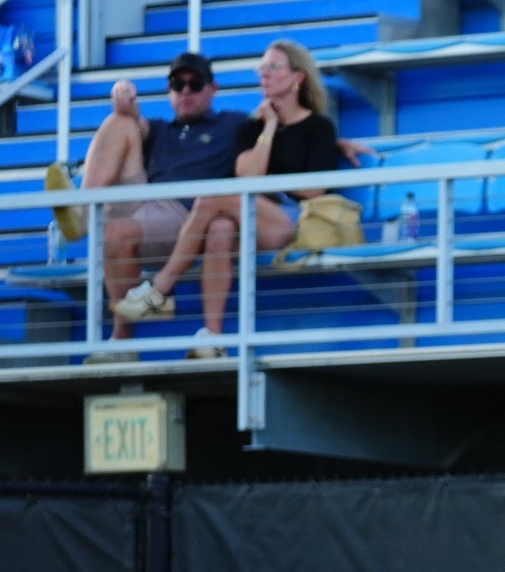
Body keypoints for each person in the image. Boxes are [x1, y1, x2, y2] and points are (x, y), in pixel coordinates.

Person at [113, 39, 342, 359]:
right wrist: (269, 128)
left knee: (212, 197)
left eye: (273, 68)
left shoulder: (319, 126)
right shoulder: (252, 126)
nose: (264, 75)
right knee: (219, 229)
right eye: (261, 69)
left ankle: (160, 288)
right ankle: (212, 337)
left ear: (297, 77)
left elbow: (315, 190)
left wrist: (276, 178)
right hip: (251, 215)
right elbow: (248, 178)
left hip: (292, 219)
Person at [44, 55, 247, 365]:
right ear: (169, 90)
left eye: (195, 84)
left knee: (116, 232)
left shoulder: (231, 123)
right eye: (178, 85)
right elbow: (132, 120)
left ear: (212, 89)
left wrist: (336, 143)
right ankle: (83, 211)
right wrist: (123, 95)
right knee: (120, 121)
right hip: (148, 204)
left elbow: (278, 133)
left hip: (187, 213)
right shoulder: (160, 129)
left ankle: (123, 338)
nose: (186, 91)